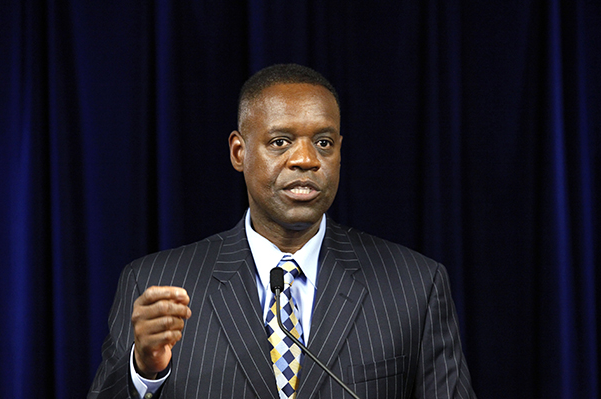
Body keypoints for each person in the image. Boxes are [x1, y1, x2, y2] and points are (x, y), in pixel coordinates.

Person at [88, 64, 476, 399]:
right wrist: (144, 371)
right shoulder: (156, 283)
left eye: (323, 143)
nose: (306, 159)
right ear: (239, 152)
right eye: (280, 142)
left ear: (339, 150)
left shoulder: (415, 286)